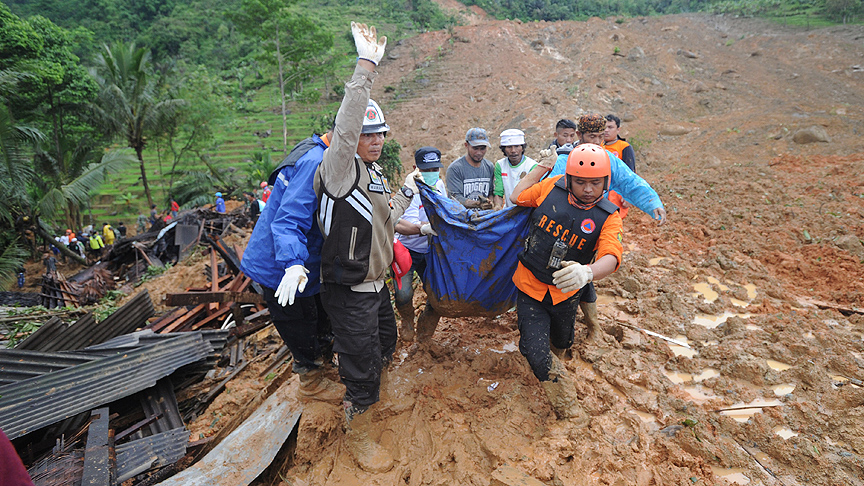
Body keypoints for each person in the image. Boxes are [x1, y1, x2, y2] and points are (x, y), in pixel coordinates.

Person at [311, 22, 415, 473]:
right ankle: (359, 425)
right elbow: (348, 126)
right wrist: (366, 68)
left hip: (376, 286)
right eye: (368, 135)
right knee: (360, 360)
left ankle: (373, 398)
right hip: (349, 286)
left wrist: (410, 198)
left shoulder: (374, 175)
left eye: (380, 135)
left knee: (385, 343)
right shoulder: (339, 170)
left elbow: (385, 220)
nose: (374, 141)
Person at [509, 143, 623, 423]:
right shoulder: (550, 189)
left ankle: (554, 359)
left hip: (566, 293)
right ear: (569, 179)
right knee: (535, 351)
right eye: (581, 182)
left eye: (595, 183)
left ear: (605, 183)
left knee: (562, 342)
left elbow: (611, 255)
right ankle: (567, 407)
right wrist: (541, 168)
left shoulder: (609, 216)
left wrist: (588, 272)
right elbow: (517, 196)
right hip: (530, 284)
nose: (588, 190)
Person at [241, 122, 343, 412]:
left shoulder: (322, 151)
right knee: (298, 320)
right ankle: (311, 384)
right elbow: (289, 220)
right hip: (282, 262)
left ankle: (322, 370)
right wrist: (292, 264)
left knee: (318, 314)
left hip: (303, 257)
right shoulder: (315, 161)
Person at [549, 113, 666, 344]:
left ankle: (591, 326)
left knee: (586, 273)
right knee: (558, 275)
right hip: (562, 228)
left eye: (600, 137)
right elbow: (547, 192)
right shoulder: (565, 158)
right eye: (591, 137)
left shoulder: (608, 159)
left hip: (593, 225)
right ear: (580, 135)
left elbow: (631, 182)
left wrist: (653, 203)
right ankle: (563, 326)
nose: (596, 143)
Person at [394, 147, 444, 341]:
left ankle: (425, 330)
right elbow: (401, 225)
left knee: (438, 294)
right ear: (416, 168)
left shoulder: (439, 185)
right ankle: (407, 319)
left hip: (431, 250)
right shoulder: (410, 191)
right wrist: (423, 229)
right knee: (403, 294)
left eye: (434, 169)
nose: (431, 174)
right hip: (407, 249)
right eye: (426, 170)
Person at [445, 127, 495, 210]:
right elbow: (455, 198)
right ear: (466, 145)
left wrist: (490, 203)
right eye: (475, 148)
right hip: (463, 219)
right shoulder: (455, 169)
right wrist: (477, 204)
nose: (479, 153)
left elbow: (491, 192)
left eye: (482, 148)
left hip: (485, 217)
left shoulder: (489, 167)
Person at [492, 129, 538, 209]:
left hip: (527, 211)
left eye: (517, 146)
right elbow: (498, 192)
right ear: (504, 149)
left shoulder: (532, 166)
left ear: (522, 148)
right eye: (509, 147)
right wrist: (497, 206)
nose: (513, 151)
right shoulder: (500, 165)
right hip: (508, 210)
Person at [603, 114, 635, 219]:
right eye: (604, 127)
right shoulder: (598, 146)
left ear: (618, 129)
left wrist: (629, 196)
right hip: (599, 192)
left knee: (614, 223)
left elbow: (630, 173)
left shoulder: (624, 147)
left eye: (610, 127)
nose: (606, 130)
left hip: (616, 195)